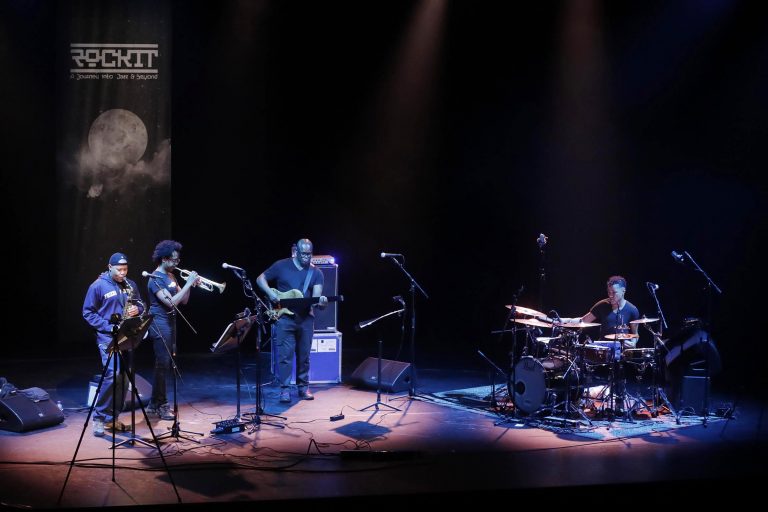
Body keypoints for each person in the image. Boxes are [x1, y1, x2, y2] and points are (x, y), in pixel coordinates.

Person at [257, 238, 327, 403]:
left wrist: (321, 303)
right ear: (296, 251)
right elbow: (260, 279)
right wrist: (271, 293)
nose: (306, 258)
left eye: (309, 254)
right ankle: (285, 390)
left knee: (304, 356)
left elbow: (317, 300)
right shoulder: (281, 265)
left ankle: (303, 388)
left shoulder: (316, 273)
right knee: (285, 356)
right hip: (285, 318)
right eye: (303, 254)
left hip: (305, 320)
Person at [82, 252, 144, 436]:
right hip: (107, 337)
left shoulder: (130, 285)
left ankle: (112, 419)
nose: (123, 273)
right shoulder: (98, 286)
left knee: (124, 377)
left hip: (126, 335)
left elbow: (141, 304)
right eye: (119, 269)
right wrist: (107, 326)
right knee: (112, 374)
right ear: (110, 267)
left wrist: (137, 309)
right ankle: (99, 418)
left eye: (125, 269)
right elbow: (87, 312)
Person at [145, 240, 198, 421]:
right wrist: (188, 283)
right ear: (164, 259)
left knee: (164, 364)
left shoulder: (171, 276)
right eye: (174, 260)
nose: (177, 263)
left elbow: (183, 301)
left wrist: (189, 285)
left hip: (170, 322)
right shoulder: (155, 279)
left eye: (178, 260)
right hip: (159, 322)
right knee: (163, 364)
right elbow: (170, 302)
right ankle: (163, 405)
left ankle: (153, 404)